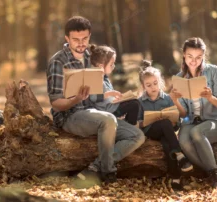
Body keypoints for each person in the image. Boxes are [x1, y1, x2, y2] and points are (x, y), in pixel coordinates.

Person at [46, 16, 145, 185]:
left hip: (97, 113)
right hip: (70, 115)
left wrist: (108, 96)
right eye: (76, 40)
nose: (81, 43)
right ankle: (108, 172)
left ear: (89, 36)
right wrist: (76, 99)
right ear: (67, 39)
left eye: (85, 38)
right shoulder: (58, 62)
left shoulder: (91, 57)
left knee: (137, 136)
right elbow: (56, 103)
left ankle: (94, 168)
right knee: (107, 120)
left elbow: (100, 88)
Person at [170, 37, 217, 188]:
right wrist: (175, 101)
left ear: (203, 56)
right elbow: (183, 114)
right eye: (190, 57)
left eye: (198, 57)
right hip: (191, 122)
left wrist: (210, 97)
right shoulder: (180, 78)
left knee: (197, 133)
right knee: (183, 140)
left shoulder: (214, 72)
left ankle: (216, 178)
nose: (194, 61)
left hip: (215, 122)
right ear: (184, 56)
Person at [137, 60, 193, 190]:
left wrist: (174, 122)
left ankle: (175, 179)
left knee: (168, 145)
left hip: (166, 133)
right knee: (164, 123)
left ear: (160, 82)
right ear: (143, 86)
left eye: (155, 83)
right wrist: (146, 121)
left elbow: (176, 122)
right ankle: (180, 155)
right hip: (151, 131)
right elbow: (138, 123)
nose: (153, 87)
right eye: (148, 85)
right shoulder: (140, 102)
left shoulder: (168, 99)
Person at [88, 44, 140, 125]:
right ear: (101, 66)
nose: (114, 66)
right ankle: (129, 126)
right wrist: (110, 94)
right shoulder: (95, 79)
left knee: (134, 102)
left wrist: (119, 97)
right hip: (107, 110)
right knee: (134, 104)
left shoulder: (104, 77)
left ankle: (127, 124)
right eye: (111, 64)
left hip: (112, 106)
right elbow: (93, 98)